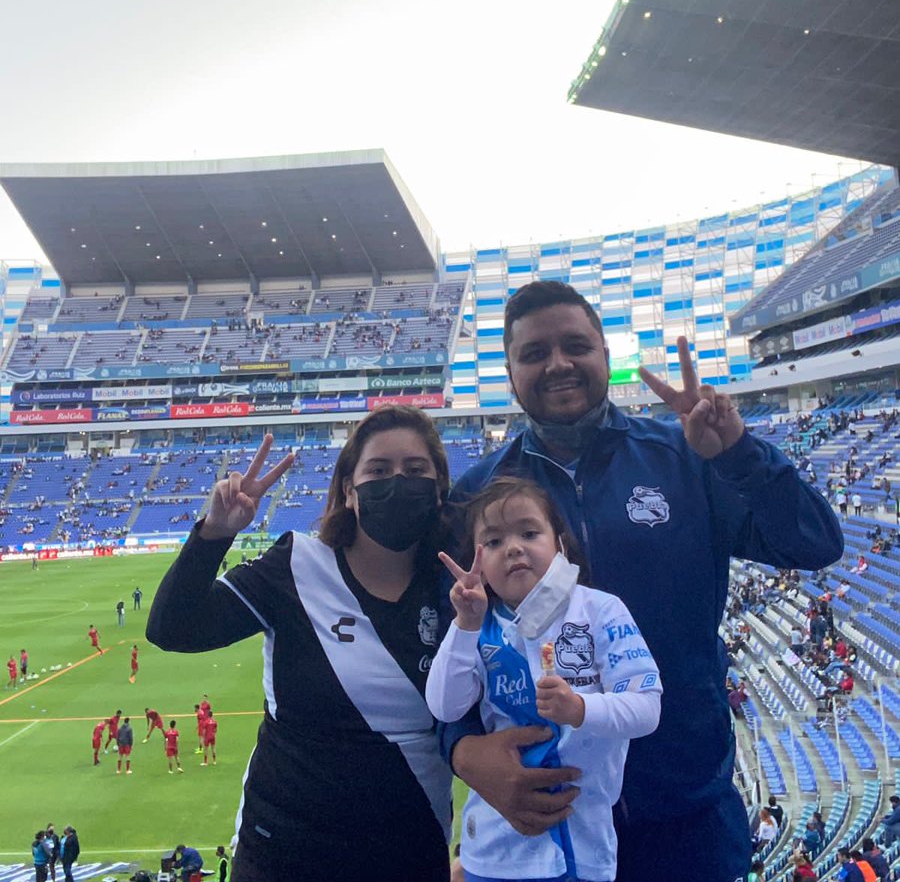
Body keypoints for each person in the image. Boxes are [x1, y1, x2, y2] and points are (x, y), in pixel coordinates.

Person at [441, 281, 843, 882]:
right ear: (510, 369)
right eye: (534, 353)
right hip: (551, 826)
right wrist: (463, 748)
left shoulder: (684, 457)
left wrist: (736, 452)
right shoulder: (480, 495)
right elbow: (453, 644)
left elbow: (814, 543)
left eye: (575, 345)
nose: (557, 364)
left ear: (605, 354)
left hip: (687, 816)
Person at [147, 413, 454, 882]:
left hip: (411, 848)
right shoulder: (297, 565)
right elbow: (174, 628)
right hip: (284, 852)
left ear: (438, 488)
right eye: (378, 470)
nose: (396, 482)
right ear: (349, 491)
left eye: (415, 470)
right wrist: (214, 532)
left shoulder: (459, 587)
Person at [427, 477, 661, 882]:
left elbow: (647, 708)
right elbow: (445, 706)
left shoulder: (601, 611)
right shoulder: (479, 627)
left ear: (561, 546)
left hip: (581, 850)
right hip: (491, 854)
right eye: (494, 542)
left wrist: (581, 708)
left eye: (529, 532)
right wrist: (464, 625)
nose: (514, 547)